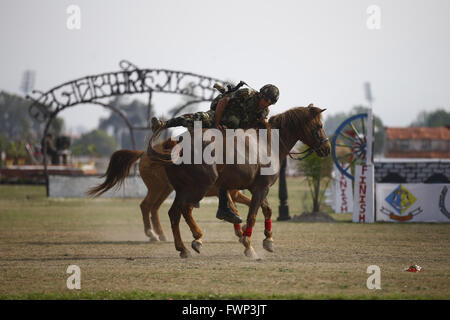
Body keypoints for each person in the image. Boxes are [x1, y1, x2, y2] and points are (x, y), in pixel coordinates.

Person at [151, 82, 279, 224]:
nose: (267, 104)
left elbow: (257, 127)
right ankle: (163, 124)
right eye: (266, 100)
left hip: (234, 131)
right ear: (260, 94)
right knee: (199, 118)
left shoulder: (264, 112)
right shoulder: (246, 93)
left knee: (227, 164)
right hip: (219, 116)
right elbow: (223, 102)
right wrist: (216, 125)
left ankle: (223, 207)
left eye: (270, 103)